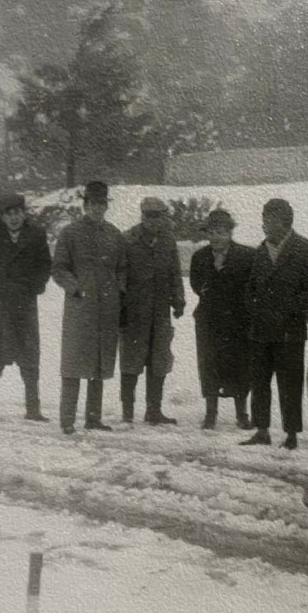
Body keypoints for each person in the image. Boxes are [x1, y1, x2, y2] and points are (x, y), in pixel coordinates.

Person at [241, 198, 308, 450]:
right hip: (260, 329)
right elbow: (251, 287)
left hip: (290, 330)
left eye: (270, 219)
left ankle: (291, 435)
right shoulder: (260, 251)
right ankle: (262, 430)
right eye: (264, 219)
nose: (265, 225)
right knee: (259, 381)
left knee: (290, 383)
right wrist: (254, 307)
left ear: (286, 222)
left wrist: (288, 309)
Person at [52, 180, 127, 434]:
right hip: (80, 308)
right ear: (85, 205)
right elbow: (59, 268)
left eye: (102, 204)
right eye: (93, 203)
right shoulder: (70, 233)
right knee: (73, 364)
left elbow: (122, 268)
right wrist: (74, 287)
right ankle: (67, 420)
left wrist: (118, 288)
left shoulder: (114, 234)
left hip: (107, 308)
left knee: (99, 363)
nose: (97, 208)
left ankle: (93, 418)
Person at [0, 193, 53, 422]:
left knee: (29, 357)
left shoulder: (36, 235)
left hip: (26, 304)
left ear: (23, 213)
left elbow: (45, 265)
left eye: (17, 213)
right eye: (9, 214)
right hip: (1, 304)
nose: (14, 218)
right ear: (2, 217)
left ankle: (33, 409)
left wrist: (36, 286)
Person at [118, 197, 186, 425]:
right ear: (142, 216)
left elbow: (175, 273)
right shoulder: (128, 240)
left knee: (159, 360)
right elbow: (120, 276)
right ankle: (128, 412)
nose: (153, 220)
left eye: (158, 216)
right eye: (149, 216)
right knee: (131, 361)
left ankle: (153, 410)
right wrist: (121, 307)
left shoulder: (168, 241)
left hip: (160, 312)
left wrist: (179, 300)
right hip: (134, 312)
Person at [189, 208, 255, 430]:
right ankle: (211, 413)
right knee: (209, 365)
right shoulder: (199, 257)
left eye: (221, 232)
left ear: (230, 233)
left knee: (239, 366)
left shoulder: (246, 256)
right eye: (212, 232)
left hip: (237, 321)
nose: (216, 237)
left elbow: (251, 287)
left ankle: (241, 413)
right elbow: (197, 285)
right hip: (209, 320)